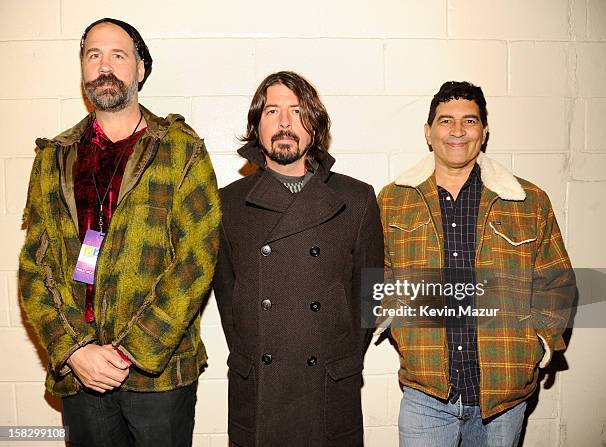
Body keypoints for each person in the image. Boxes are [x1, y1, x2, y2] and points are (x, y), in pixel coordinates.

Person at [18, 17, 220, 447]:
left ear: (140, 68)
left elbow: (197, 259)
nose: (104, 66)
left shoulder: (183, 148)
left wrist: (132, 351)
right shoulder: (53, 157)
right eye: (94, 55)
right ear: (83, 71)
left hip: (158, 376)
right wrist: (75, 350)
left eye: (118, 55)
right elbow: (35, 266)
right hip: (81, 375)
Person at [377, 81, 576, 447]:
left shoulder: (527, 200)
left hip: (504, 396)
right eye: (445, 120)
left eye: (469, 121)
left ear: (483, 132)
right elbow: (382, 274)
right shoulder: (393, 200)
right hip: (426, 391)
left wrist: (537, 340)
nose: (456, 130)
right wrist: (401, 326)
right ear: (428, 132)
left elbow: (557, 280)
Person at [212, 71, 384, 447]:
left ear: (314, 124)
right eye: (272, 111)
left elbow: (370, 295)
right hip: (259, 390)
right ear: (256, 126)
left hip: (326, 389)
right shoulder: (227, 204)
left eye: (296, 110)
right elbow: (230, 299)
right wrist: (251, 353)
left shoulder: (356, 199)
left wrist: (339, 358)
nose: (285, 122)